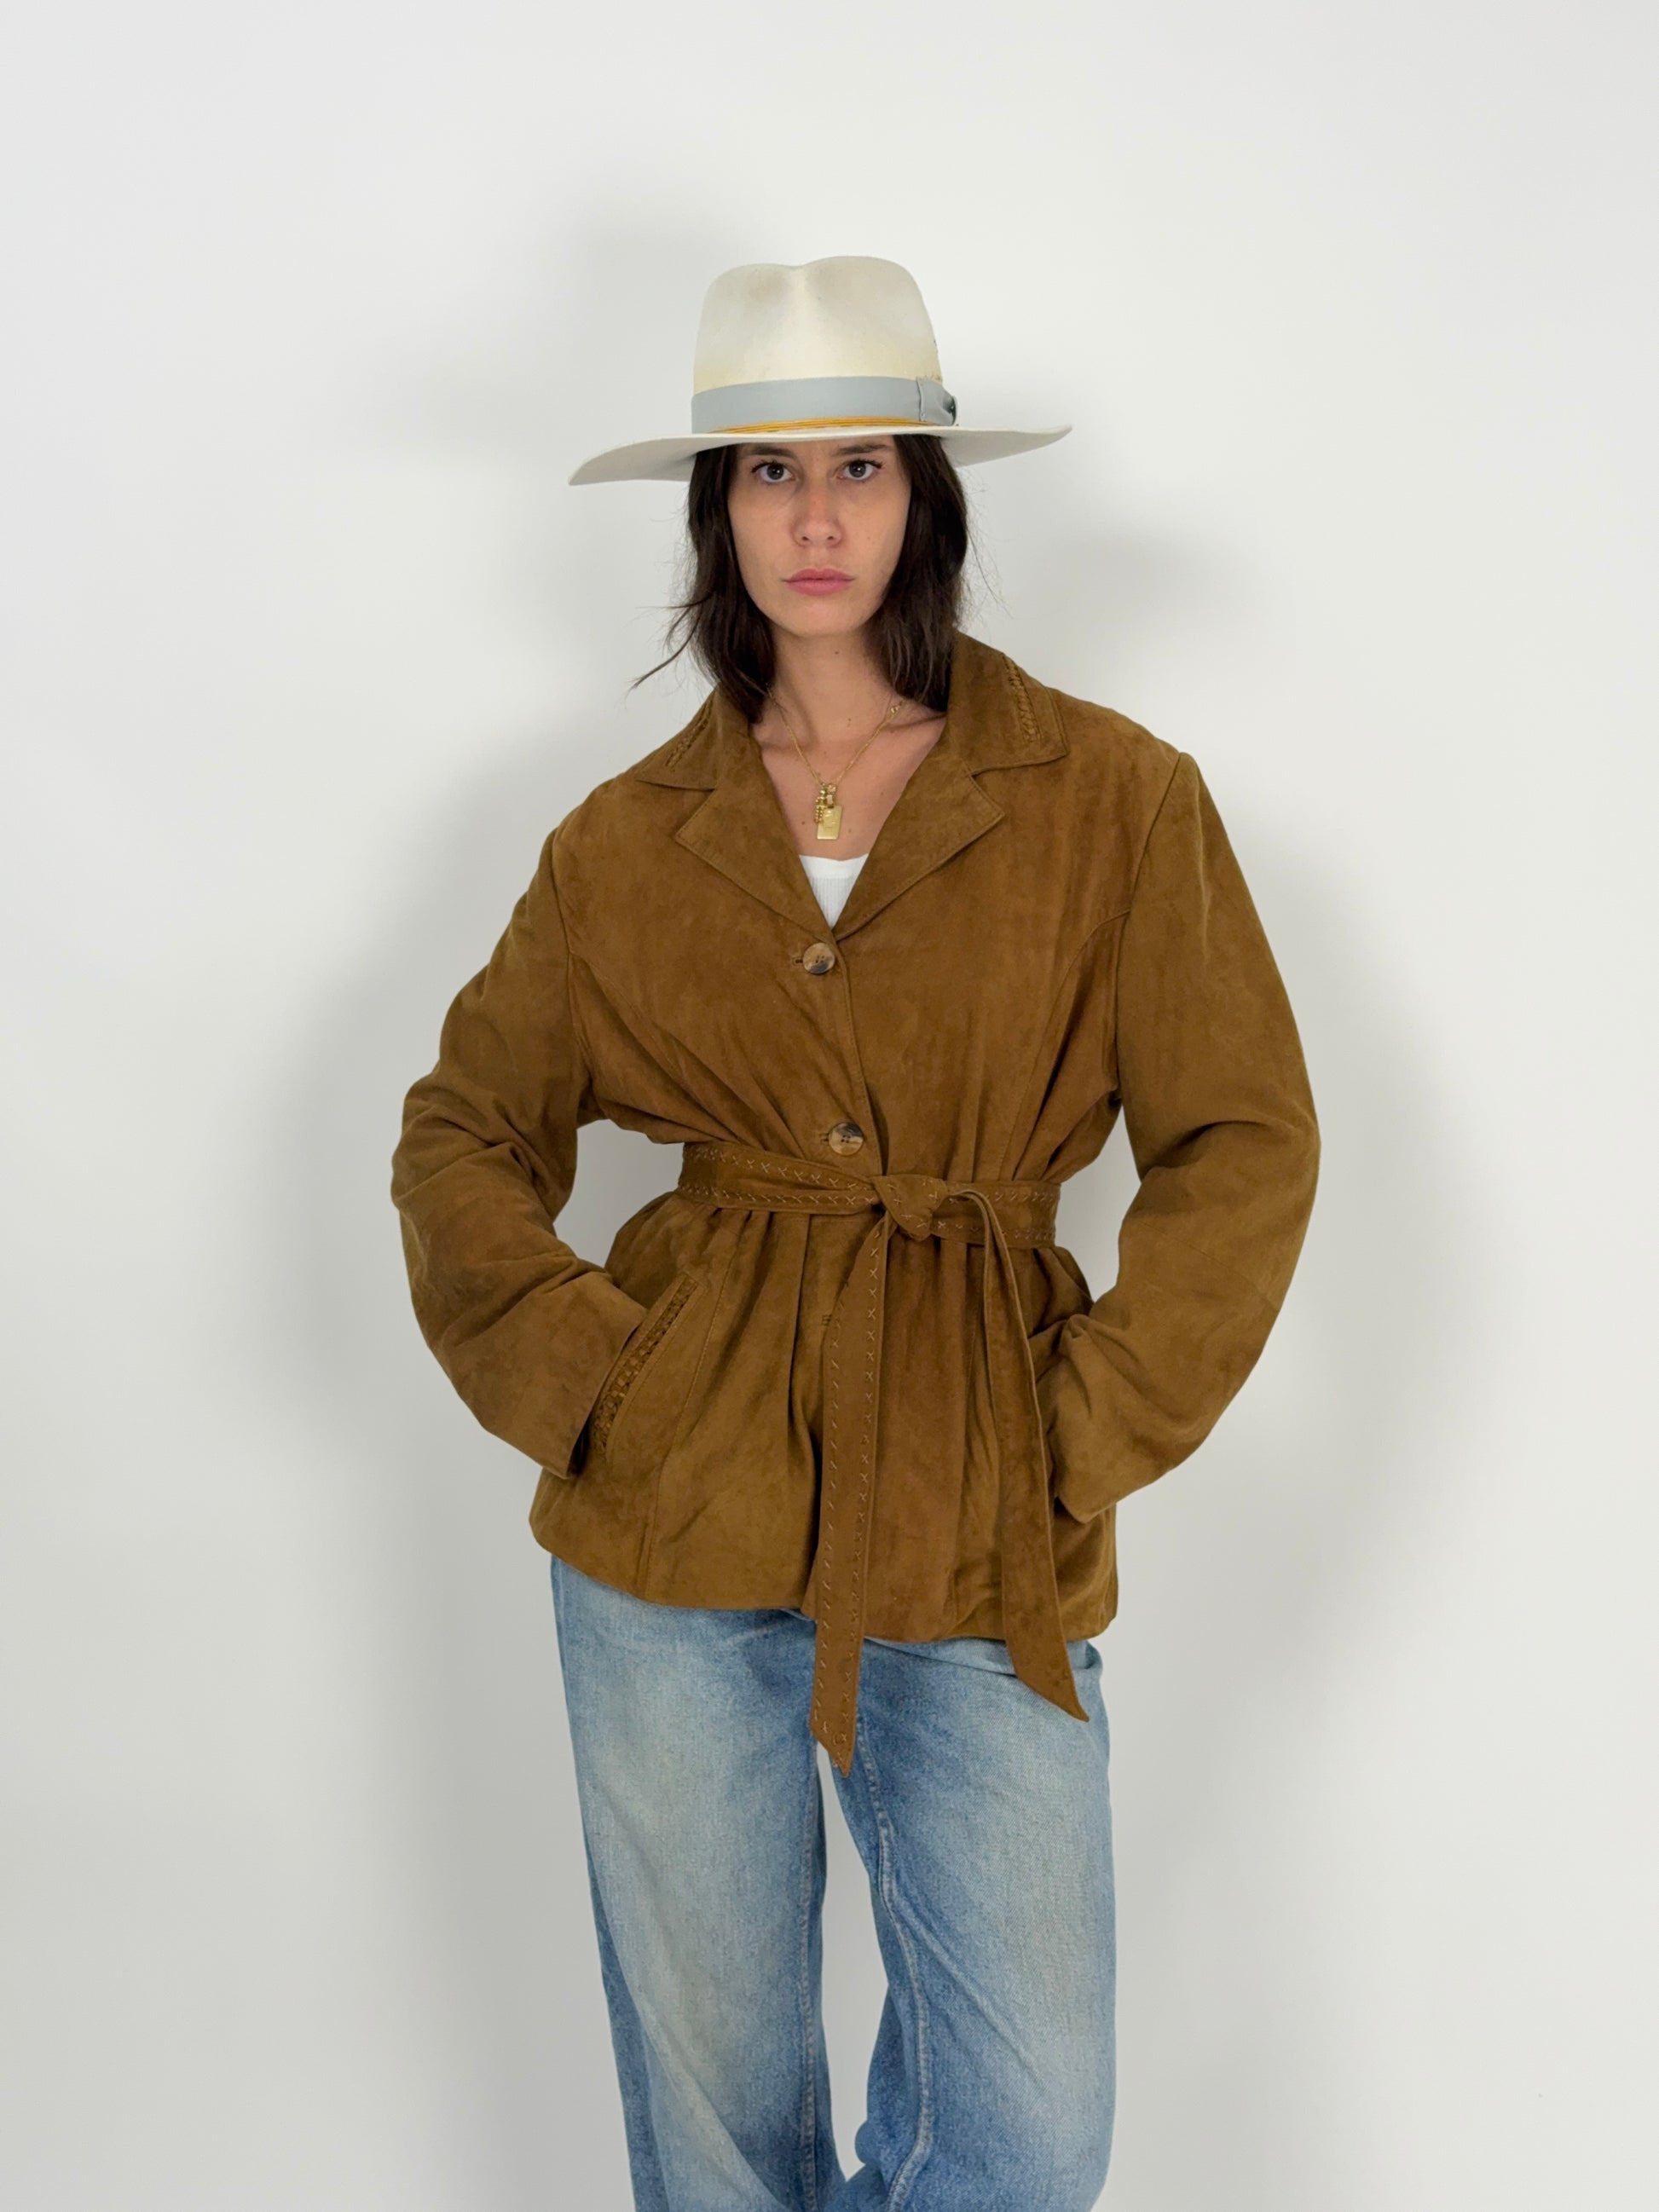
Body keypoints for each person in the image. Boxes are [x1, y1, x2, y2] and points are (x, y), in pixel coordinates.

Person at [390, 256, 1321, 2212]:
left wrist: (1074, 1427)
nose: (815, 514)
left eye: (861, 464)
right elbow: (463, 1131)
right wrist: (601, 1390)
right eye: (768, 469)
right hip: (672, 1510)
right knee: (719, 2131)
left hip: (978, 1493)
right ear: (716, 510)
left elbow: (1241, 1139)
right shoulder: (622, 841)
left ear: (925, 495)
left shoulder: (1112, 801)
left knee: (1029, 2125)